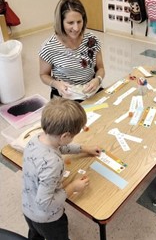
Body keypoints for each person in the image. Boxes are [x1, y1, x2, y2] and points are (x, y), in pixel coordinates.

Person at [22, 98, 102, 240]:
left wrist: (83, 148)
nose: (72, 139)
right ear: (65, 135)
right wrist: (72, 187)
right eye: (72, 137)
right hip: (48, 219)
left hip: (28, 208)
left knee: (34, 235)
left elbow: (59, 146)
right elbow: (45, 204)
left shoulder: (37, 138)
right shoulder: (53, 164)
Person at [39, 0, 105, 100]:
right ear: (60, 22)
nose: (76, 28)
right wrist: (56, 84)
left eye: (79, 21)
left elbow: (100, 68)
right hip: (65, 96)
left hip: (91, 91)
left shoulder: (92, 41)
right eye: (70, 23)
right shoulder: (49, 47)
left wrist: (98, 80)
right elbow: (43, 75)